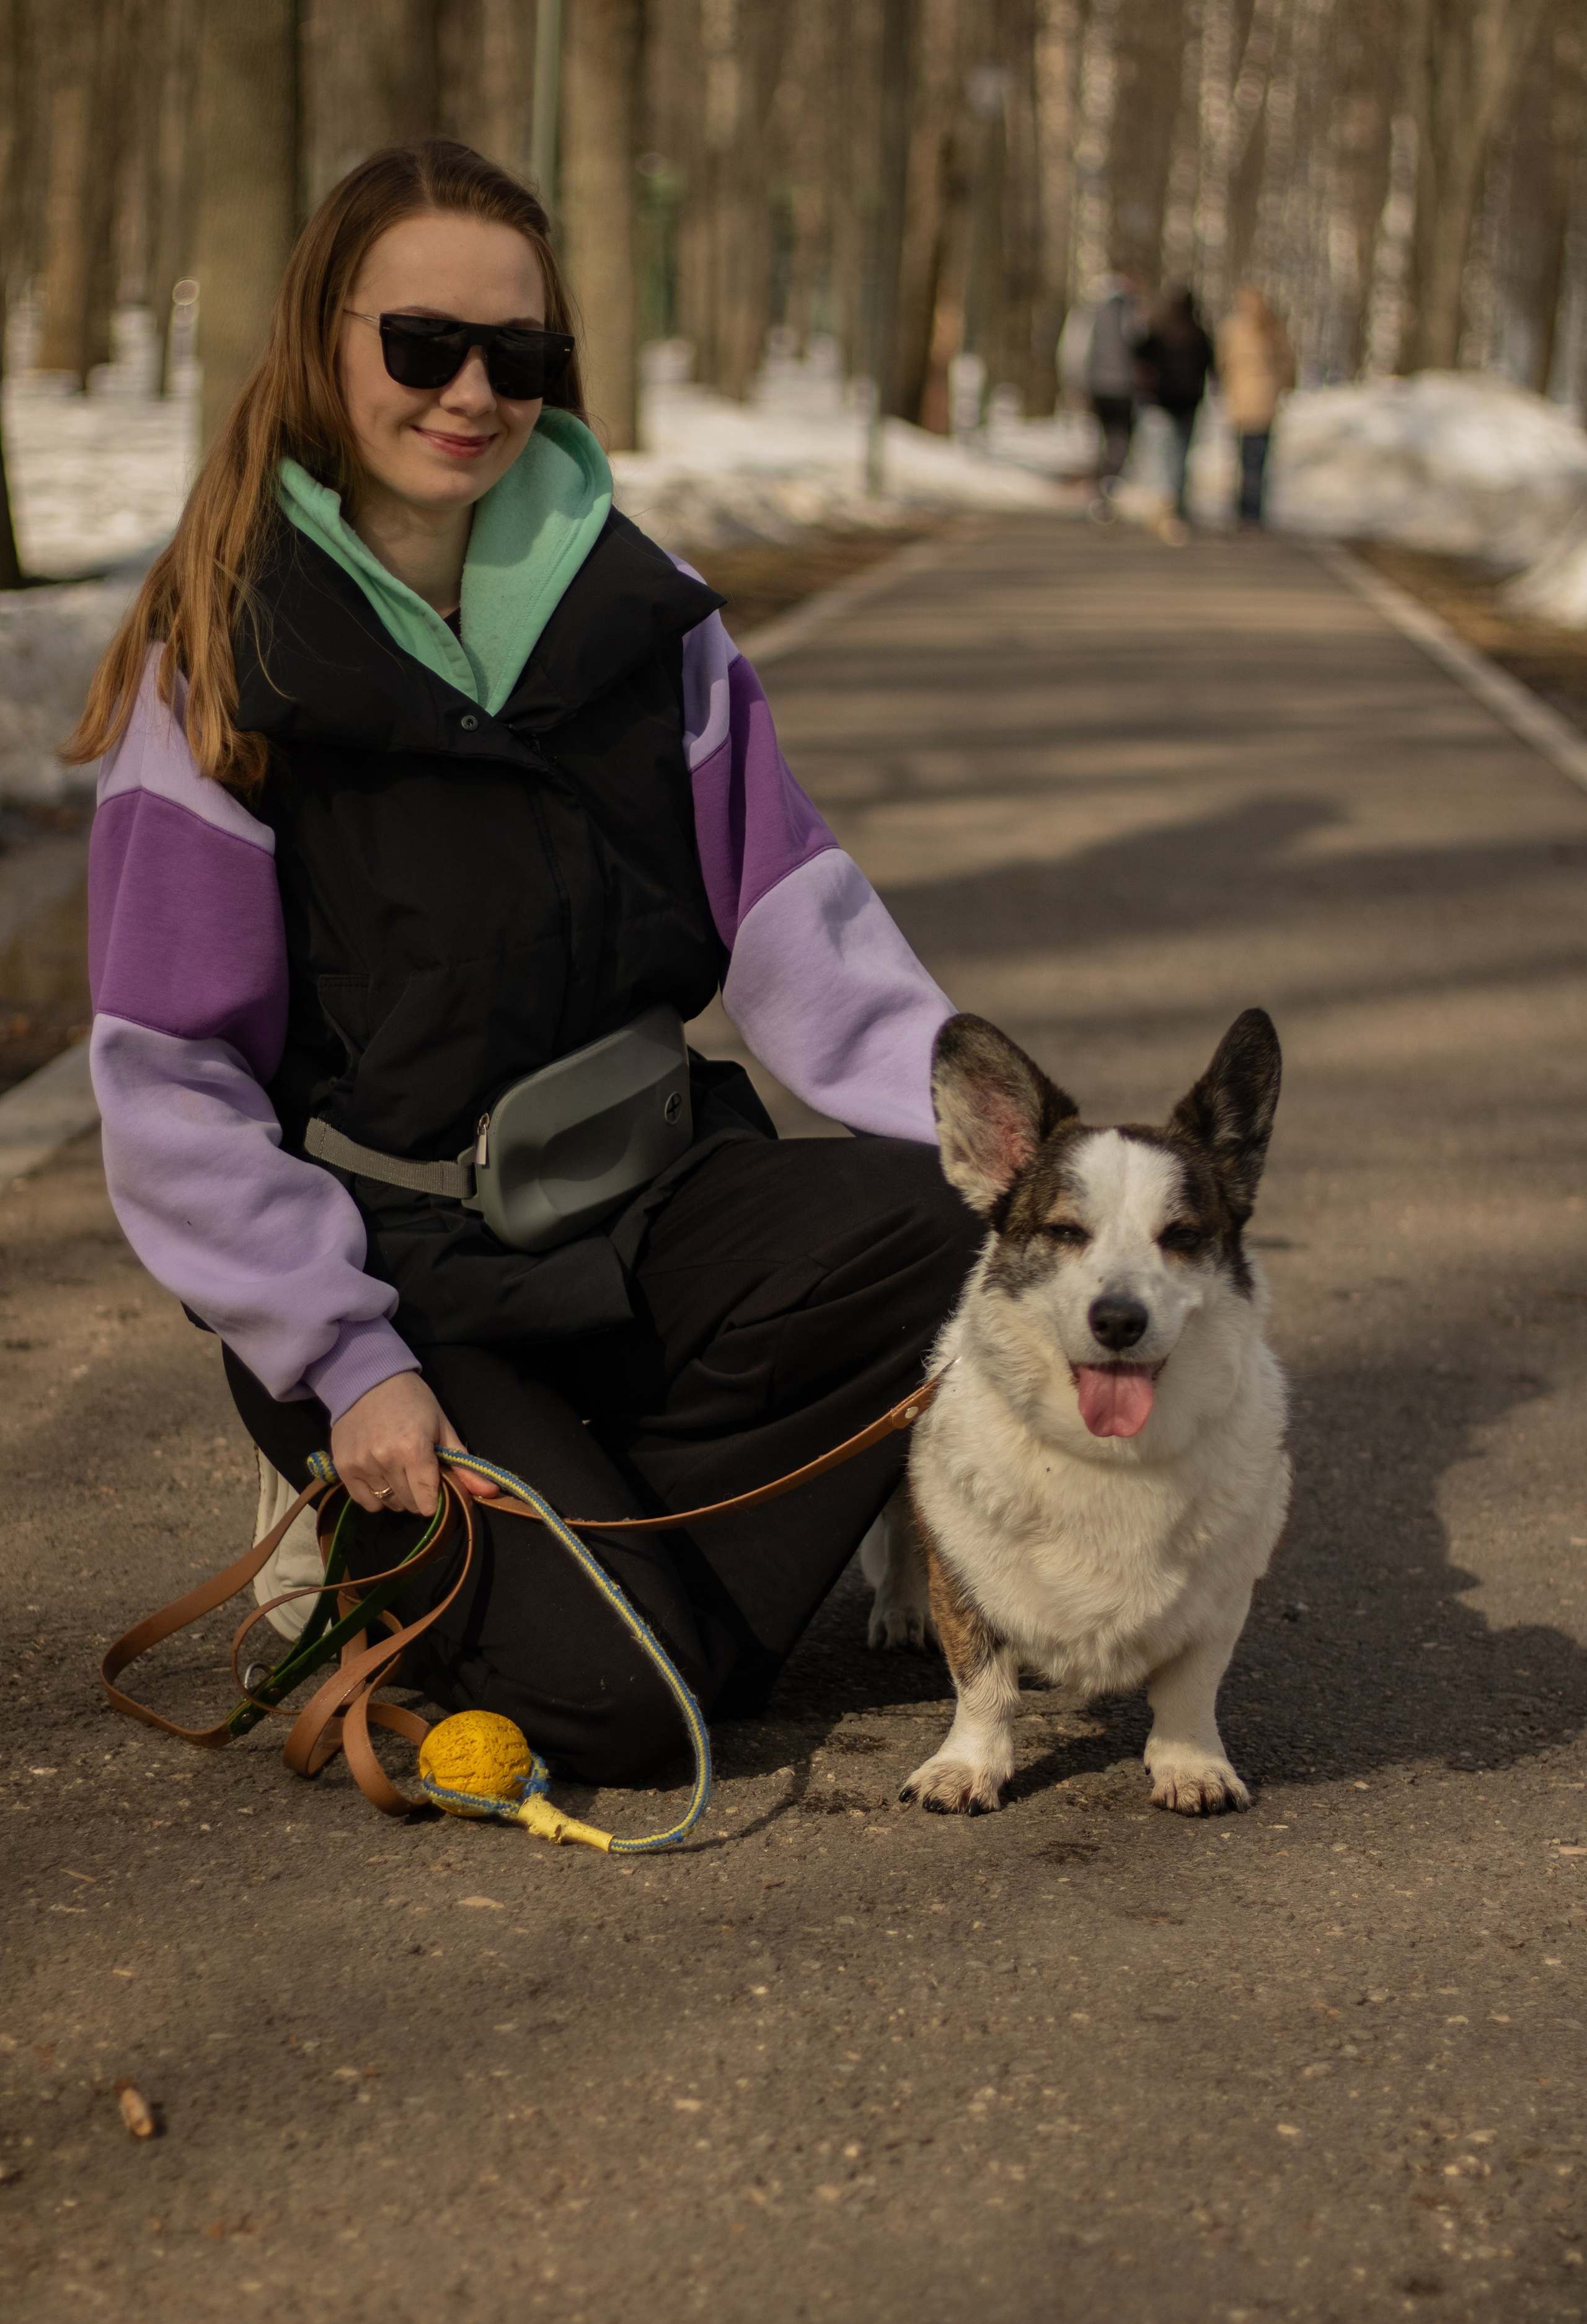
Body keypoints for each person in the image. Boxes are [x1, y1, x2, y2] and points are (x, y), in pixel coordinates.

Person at [68, 140, 983, 1785]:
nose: (473, 394)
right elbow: (171, 1077)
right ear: (325, 340)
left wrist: (1031, 1165)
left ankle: (602, 1544)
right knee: (633, 1712)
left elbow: (803, 928)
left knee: (957, 1232)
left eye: (520, 353)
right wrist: (346, 1359)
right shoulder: (221, 658)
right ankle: (449, 1542)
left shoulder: (652, 619)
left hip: (651, 1203)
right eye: (424, 344)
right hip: (398, 1275)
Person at [1132, 285, 1215, 541]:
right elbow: (1211, 368)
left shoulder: (1159, 333)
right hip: (1186, 404)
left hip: (1162, 403)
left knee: (1162, 457)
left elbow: (1139, 357)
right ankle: (1172, 506)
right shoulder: (1198, 335)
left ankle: (1162, 507)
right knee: (1177, 458)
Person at [1215, 286, 1295, 528]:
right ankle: (1252, 509)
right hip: (1263, 401)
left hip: (1242, 401)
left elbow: (1223, 363)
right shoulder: (1272, 328)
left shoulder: (1235, 329)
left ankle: (1244, 507)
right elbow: (1288, 364)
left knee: (1244, 457)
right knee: (1257, 459)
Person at [1077, 273, 1143, 512]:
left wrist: (1080, 381)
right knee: (1120, 439)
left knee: (1104, 438)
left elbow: (1077, 349)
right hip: (1122, 387)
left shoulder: (1092, 313)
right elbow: (1138, 343)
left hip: (1099, 385)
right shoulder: (1131, 312)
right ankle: (1109, 483)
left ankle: (1104, 484)